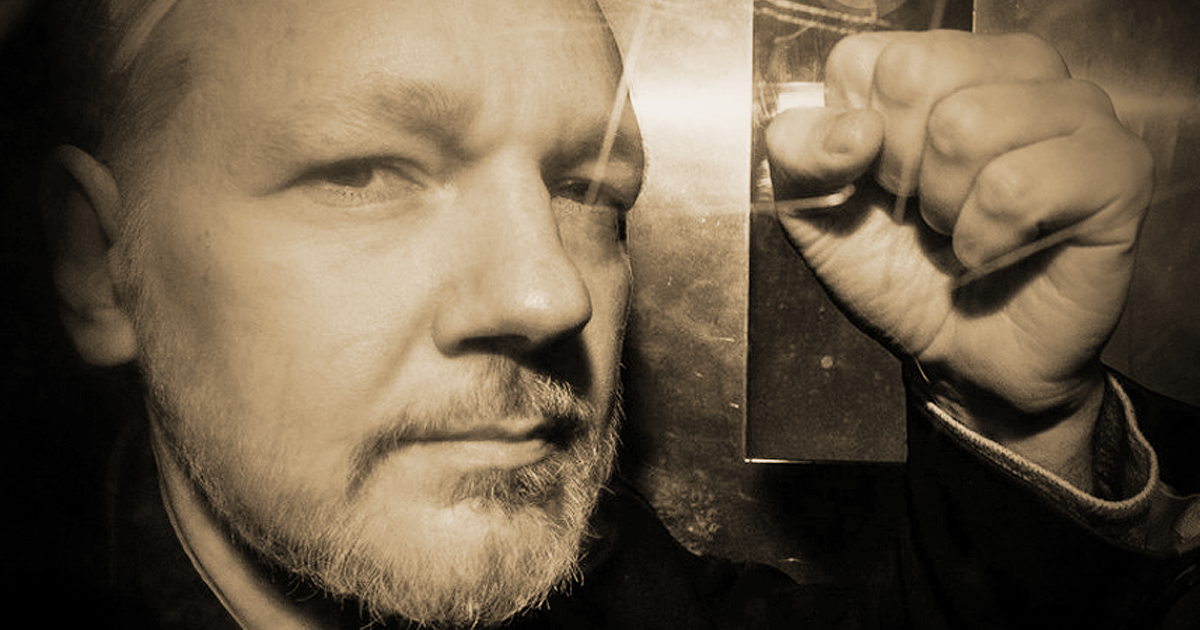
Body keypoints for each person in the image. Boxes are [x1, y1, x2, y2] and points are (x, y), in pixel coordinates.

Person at [23, 0, 1197, 628]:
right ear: (99, 268)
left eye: (589, 191)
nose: (550, 294)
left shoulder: (642, 600)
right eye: (367, 172)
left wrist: (1025, 413)